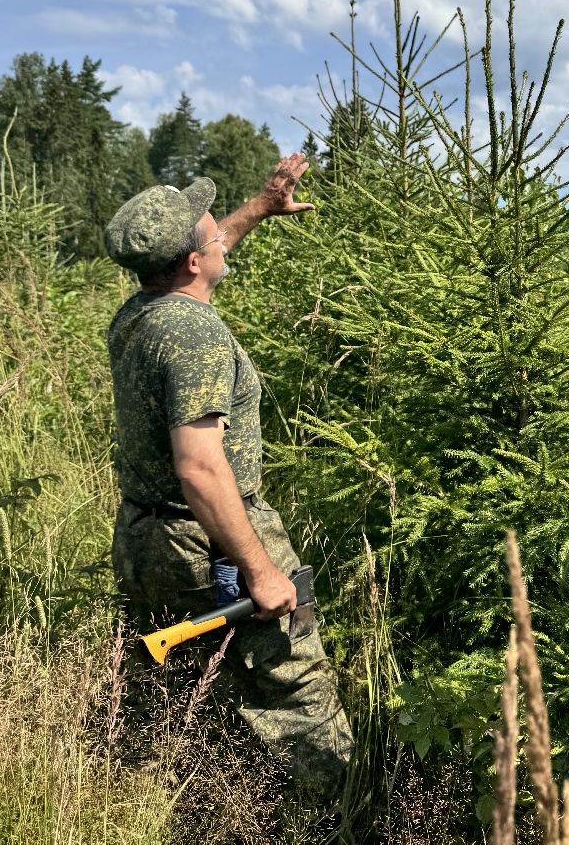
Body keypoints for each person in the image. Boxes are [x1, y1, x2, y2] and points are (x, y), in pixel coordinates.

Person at [103, 155, 353, 796]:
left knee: (179, 692)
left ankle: (174, 808)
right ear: (191, 262)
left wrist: (257, 207)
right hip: (208, 538)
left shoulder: (137, 314)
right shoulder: (195, 337)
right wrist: (260, 568)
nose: (220, 235)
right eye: (211, 233)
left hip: (144, 536)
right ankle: (332, 819)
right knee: (295, 694)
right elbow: (200, 466)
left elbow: (199, 258)